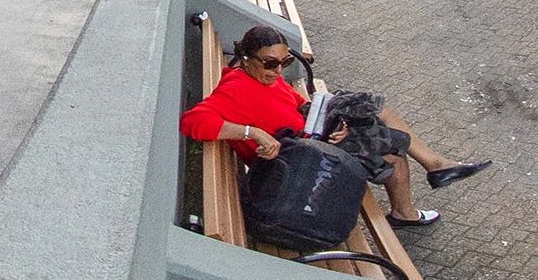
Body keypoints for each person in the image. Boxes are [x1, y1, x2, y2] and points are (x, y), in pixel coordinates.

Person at [181, 23, 490, 230]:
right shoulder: (235, 90)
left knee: (370, 110)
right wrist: (252, 133)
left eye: (284, 63)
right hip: (298, 164)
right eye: (270, 63)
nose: (278, 71)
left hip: (314, 140)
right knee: (392, 150)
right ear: (247, 59)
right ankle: (411, 203)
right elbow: (192, 121)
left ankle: (432, 168)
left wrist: (333, 123)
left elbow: (296, 104)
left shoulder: (264, 79)